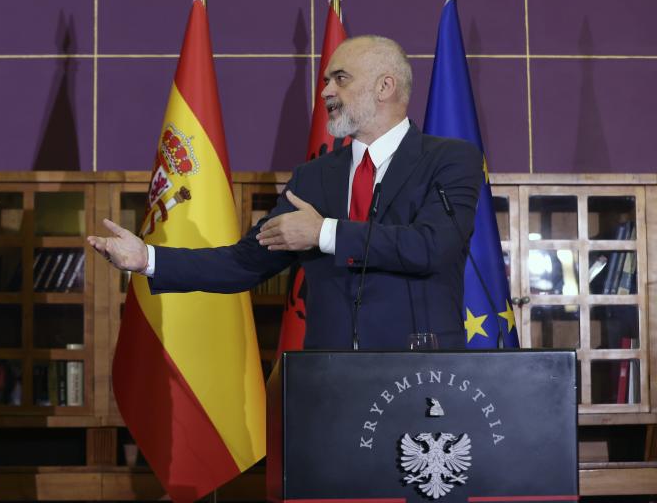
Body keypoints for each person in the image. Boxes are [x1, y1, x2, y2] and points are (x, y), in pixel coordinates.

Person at [88, 35, 483, 350]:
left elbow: (434, 246)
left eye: (340, 79)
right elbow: (245, 263)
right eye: (326, 80)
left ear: (385, 86)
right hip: (331, 383)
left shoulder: (450, 160)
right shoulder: (313, 178)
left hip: (422, 377)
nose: (326, 91)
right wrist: (148, 259)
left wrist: (323, 233)